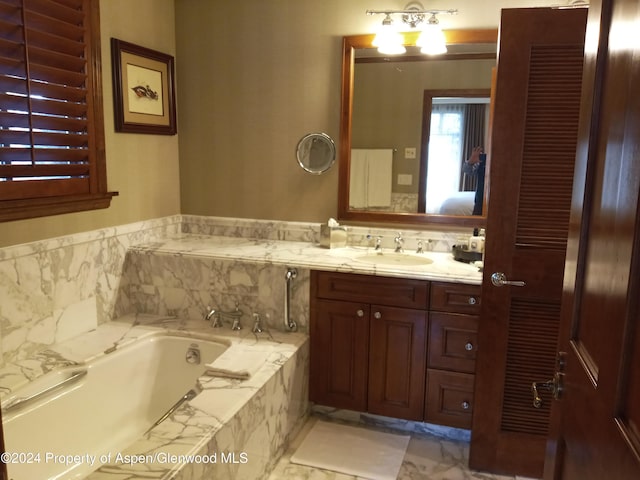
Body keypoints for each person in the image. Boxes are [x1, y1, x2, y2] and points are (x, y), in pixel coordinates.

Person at [462, 146, 486, 216]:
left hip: (499, 201)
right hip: (480, 201)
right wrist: (470, 162)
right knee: (477, 225)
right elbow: (467, 171)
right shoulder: (483, 160)